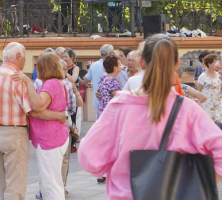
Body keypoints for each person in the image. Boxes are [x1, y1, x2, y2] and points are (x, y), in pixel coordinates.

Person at [78, 34, 222, 199]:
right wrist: (202, 182)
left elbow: (89, 157)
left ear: (141, 62)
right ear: (176, 65)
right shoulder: (187, 109)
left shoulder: (119, 107)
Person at [0, 42, 65, 199]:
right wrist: (60, 116)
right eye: (25, 56)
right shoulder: (17, 78)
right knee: (16, 183)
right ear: (18, 56)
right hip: (14, 132)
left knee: (4, 182)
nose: (25, 60)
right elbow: (34, 110)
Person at [13, 53, 69, 200]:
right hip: (52, 138)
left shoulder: (51, 83)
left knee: (50, 183)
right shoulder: (56, 83)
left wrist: (28, 83)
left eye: (38, 66)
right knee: (49, 182)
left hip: (50, 139)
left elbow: (37, 106)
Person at [81, 44, 115, 114]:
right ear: (111, 53)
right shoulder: (114, 65)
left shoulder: (94, 65)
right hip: (112, 100)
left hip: (97, 101)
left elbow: (85, 81)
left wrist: (77, 79)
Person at [196, 53, 222, 123]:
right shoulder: (202, 77)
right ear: (209, 64)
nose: (217, 64)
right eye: (214, 62)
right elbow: (198, 92)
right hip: (207, 106)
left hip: (218, 105)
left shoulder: (219, 75)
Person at [97, 55, 122, 119]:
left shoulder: (103, 77)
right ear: (115, 68)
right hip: (110, 113)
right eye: (119, 64)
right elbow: (119, 97)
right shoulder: (112, 81)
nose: (121, 66)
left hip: (102, 110)